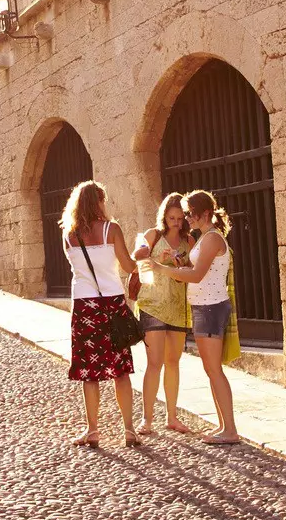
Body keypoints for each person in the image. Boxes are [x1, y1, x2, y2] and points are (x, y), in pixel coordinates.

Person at [158, 188, 240, 444]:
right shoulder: (205, 238)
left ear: (206, 213)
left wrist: (162, 269)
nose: (187, 219)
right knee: (210, 369)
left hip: (211, 307)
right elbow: (194, 269)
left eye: (191, 214)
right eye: (186, 214)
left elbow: (197, 276)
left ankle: (230, 430)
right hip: (204, 306)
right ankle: (223, 426)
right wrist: (178, 262)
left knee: (214, 370)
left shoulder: (213, 239)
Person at [60, 181, 138, 448]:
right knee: (121, 370)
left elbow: (75, 268)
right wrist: (141, 259)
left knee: (89, 372)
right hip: (112, 302)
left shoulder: (69, 235)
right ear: (99, 201)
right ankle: (128, 429)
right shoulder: (111, 229)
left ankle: (93, 430)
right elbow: (127, 265)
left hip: (84, 305)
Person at [133, 193, 194, 435]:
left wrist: (181, 264)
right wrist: (150, 253)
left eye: (180, 218)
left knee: (173, 363)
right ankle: (146, 419)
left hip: (178, 306)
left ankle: (172, 417)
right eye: (171, 217)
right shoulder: (153, 235)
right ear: (164, 216)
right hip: (152, 304)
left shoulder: (188, 241)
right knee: (154, 362)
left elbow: (193, 270)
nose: (176, 222)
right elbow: (136, 255)